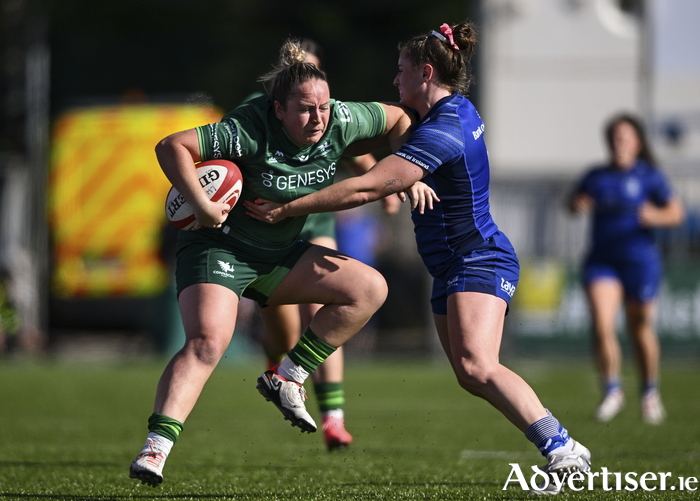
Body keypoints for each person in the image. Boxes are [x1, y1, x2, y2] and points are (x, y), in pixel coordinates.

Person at [245, 22, 592, 494]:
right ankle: (561, 447)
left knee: (477, 366)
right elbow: (385, 139)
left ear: (425, 72)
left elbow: (368, 185)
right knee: (470, 375)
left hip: (479, 259)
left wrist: (290, 205)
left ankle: (565, 451)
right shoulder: (446, 114)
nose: (394, 81)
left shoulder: (445, 129)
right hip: (452, 265)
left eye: (401, 71)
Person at [128, 38, 415, 487]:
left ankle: (290, 377)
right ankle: (155, 449)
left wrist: (407, 169)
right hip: (220, 248)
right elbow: (171, 146)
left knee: (370, 288)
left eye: (323, 106)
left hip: (280, 254)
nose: (318, 117)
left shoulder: (340, 118)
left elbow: (400, 117)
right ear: (277, 107)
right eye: (305, 109)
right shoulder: (248, 125)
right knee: (209, 342)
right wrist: (202, 205)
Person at [255, 39, 402, 451]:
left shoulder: (329, 112)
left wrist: (388, 185)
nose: (316, 104)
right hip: (266, 226)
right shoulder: (259, 112)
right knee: (281, 333)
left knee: (324, 310)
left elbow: (350, 148)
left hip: (312, 220)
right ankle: (278, 368)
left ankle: (333, 418)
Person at [568, 113, 684, 425]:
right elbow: (572, 203)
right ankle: (612, 390)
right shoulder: (596, 175)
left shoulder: (650, 176)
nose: (620, 142)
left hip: (640, 261)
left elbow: (675, 213)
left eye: (625, 136)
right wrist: (577, 205)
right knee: (603, 324)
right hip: (602, 261)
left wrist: (655, 217)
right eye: (615, 137)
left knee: (640, 326)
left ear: (637, 142)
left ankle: (649, 393)